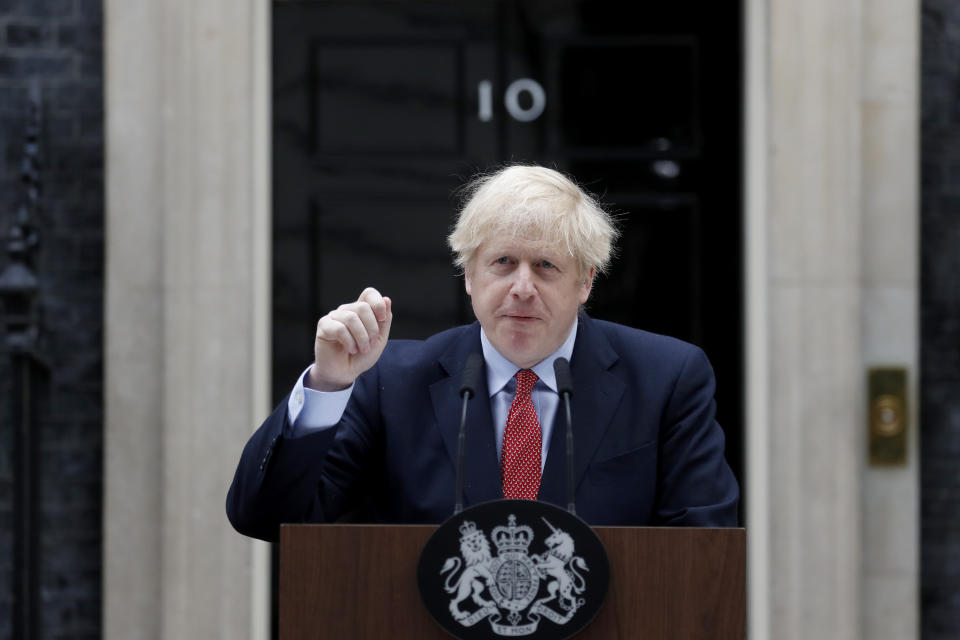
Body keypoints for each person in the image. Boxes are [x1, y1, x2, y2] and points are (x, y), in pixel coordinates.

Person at [227, 165, 738, 542]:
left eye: (545, 266)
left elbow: (701, 550)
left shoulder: (667, 378)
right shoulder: (392, 382)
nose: (521, 287)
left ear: (585, 281)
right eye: (502, 262)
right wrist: (329, 384)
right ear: (470, 276)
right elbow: (266, 518)